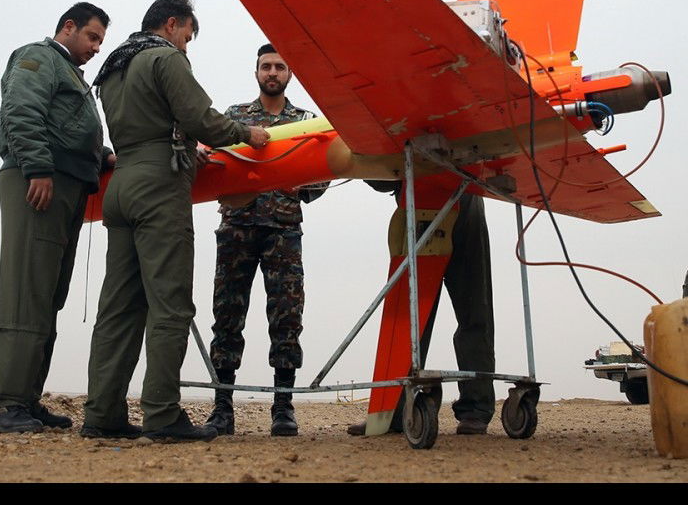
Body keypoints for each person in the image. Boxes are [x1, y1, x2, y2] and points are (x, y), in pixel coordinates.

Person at [81, 0, 271, 442]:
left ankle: (102, 414)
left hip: (123, 185)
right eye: (187, 36)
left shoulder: (114, 65)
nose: (187, 46)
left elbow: (154, 128)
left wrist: (184, 152)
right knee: (171, 305)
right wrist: (250, 134)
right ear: (171, 24)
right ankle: (163, 415)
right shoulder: (165, 58)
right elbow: (202, 119)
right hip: (159, 192)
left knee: (118, 308)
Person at [0, 2, 114, 434]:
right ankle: (6, 403)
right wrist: (38, 168)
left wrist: (102, 156)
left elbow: (69, 130)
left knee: (48, 293)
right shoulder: (38, 58)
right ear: (69, 27)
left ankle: (27, 399)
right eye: (92, 37)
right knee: (28, 290)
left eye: (101, 41)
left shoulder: (70, 74)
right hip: (40, 182)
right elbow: (21, 109)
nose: (96, 47)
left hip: (67, 185)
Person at [204, 44, 326, 437]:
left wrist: (299, 183)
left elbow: (320, 177)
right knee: (227, 316)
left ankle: (283, 407)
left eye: (279, 66)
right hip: (237, 228)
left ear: (289, 72)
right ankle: (222, 406)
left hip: (284, 230)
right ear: (256, 72)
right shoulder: (235, 118)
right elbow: (215, 163)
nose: (272, 72)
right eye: (266, 66)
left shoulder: (304, 121)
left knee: (287, 317)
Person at [347, 184, 495, 436]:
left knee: (473, 310)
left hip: (463, 199)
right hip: (416, 203)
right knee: (408, 316)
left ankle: (476, 408)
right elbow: (381, 178)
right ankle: (395, 410)